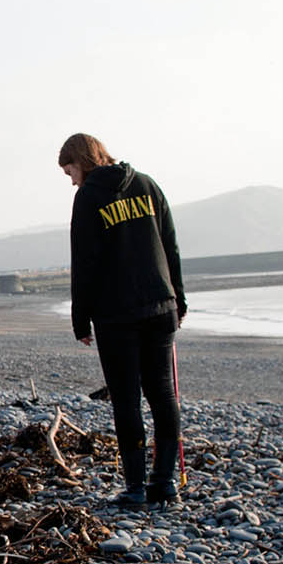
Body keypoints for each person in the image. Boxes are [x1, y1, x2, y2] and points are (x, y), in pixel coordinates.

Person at [60, 133, 186, 508]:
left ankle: (134, 488)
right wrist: (178, 296)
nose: (71, 180)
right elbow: (170, 244)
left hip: (116, 314)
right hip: (160, 305)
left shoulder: (89, 197)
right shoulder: (147, 185)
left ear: (83, 160)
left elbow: (83, 262)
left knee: (127, 400)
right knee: (163, 396)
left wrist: (80, 320)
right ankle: (164, 483)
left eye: (71, 170)